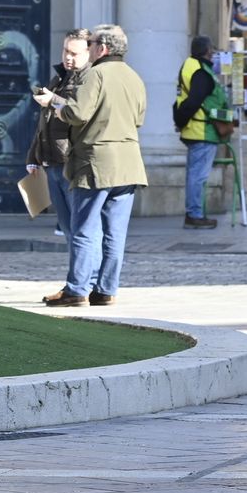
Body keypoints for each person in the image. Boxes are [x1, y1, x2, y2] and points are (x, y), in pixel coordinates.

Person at [33, 24, 148, 308]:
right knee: (115, 233)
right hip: (129, 163)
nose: (91, 47)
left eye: (93, 43)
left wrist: (55, 106)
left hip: (96, 162)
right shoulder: (134, 77)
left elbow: (77, 112)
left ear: (103, 48)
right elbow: (139, 119)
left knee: (84, 228)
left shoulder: (96, 74)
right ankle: (106, 289)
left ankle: (77, 289)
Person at [26, 29, 93, 241]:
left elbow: (80, 112)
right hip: (52, 161)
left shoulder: (90, 79)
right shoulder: (59, 78)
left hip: (72, 163)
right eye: (66, 51)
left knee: (81, 229)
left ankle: (85, 274)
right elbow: (44, 121)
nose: (68, 57)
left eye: (74, 53)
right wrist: (33, 157)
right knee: (67, 228)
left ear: (88, 53)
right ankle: (79, 271)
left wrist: (54, 99)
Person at [173, 36, 220, 229]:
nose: (214, 53)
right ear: (207, 51)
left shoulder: (192, 66)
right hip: (201, 129)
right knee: (198, 176)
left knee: (195, 174)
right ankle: (194, 214)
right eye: (212, 49)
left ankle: (194, 213)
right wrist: (181, 120)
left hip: (198, 129)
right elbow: (193, 102)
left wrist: (180, 121)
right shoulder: (200, 71)